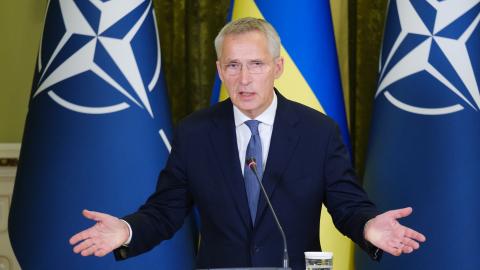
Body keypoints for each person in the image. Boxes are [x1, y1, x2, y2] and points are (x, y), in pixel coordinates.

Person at [70, 17, 426, 269]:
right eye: (233, 66)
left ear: (278, 67)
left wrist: (367, 225)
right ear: (220, 70)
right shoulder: (195, 133)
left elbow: (347, 205)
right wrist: (127, 230)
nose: (244, 79)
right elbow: (165, 212)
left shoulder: (318, 131)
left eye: (256, 64)